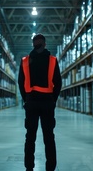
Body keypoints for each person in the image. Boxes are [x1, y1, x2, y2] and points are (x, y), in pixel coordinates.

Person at [18, 33, 62, 171]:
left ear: (33, 44)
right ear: (45, 44)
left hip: (31, 103)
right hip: (47, 103)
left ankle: (29, 168)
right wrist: (52, 100)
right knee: (49, 137)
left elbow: (21, 83)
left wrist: (27, 99)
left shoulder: (25, 61)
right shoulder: (53, 60)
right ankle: (50, 168)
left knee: (30, 137)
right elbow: (58, 83)